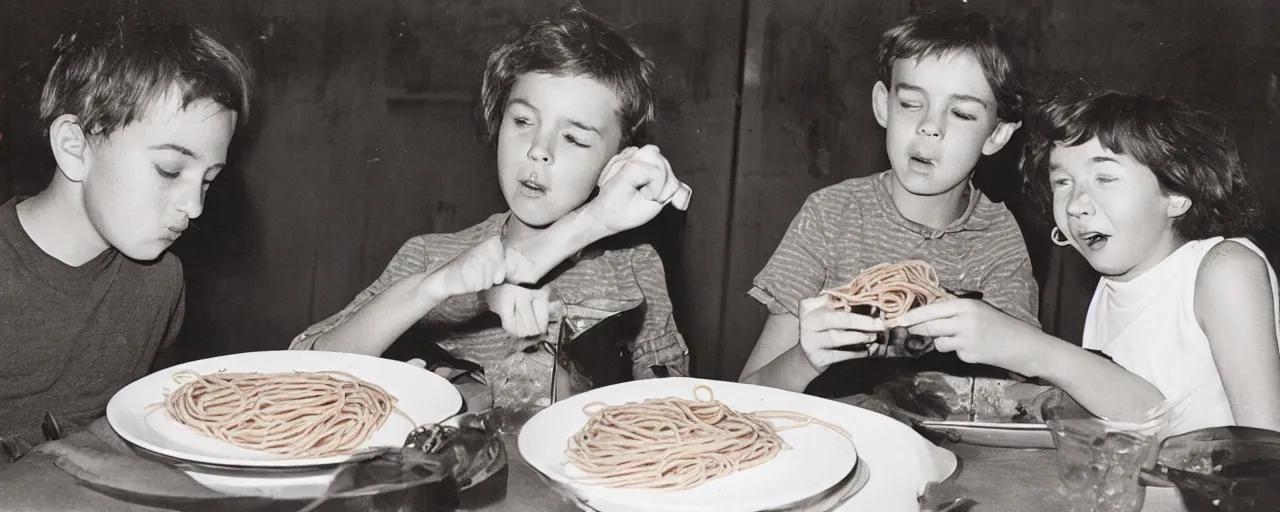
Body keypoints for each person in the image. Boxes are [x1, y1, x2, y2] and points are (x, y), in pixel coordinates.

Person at [290, 3, 692, 404]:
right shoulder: (430, 256)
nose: (539, 150)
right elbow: (301, 369)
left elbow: (669, 414)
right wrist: (433, 288)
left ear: (617, 161)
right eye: (522, 121)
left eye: (574, 138)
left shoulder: (636, 269)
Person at [892, 88, 1280, 436]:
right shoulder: (1109, 288)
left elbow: (1265, 455)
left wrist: (1030, 346)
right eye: (1063, 183)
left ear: (1176, 194)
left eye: (1105, 179)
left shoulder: (1224, 268)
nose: (1076, 205)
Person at [739, 10, 1037, 395]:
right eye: (912, 103)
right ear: (883, 105)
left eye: (961, 113)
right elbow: (750, 391)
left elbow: (1018, 394)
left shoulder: (997, 238)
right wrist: (805, 358)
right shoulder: (830, 215)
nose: (930, 126)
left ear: (996, 135)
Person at [0, 11, 252, 451]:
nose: (194, 207)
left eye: (208, 180)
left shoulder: (160, 281)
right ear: (75, 146)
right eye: (170, 169)